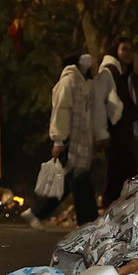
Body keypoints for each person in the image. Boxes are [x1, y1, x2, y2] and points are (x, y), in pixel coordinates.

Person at [23, 54, 103, 228]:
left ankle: (37, 212)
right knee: (78, 180)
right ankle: (88, 221)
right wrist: (58, 139)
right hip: (71, 140)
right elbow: (61, 110)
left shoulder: (84, 83)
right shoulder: (69, 81)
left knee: (71, 181)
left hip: (81, 141)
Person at [97, 36, 138, 206]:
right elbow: (98, 102)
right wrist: (102, 132)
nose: (128, 53)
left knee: (129, 172)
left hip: (130, 131)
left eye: (130, 50)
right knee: (116, 172)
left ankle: (122, 209)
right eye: (123, 49)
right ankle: (110, 206)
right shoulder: (108, 73)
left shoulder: (132, 78)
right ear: (116, 51)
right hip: (115, 130)